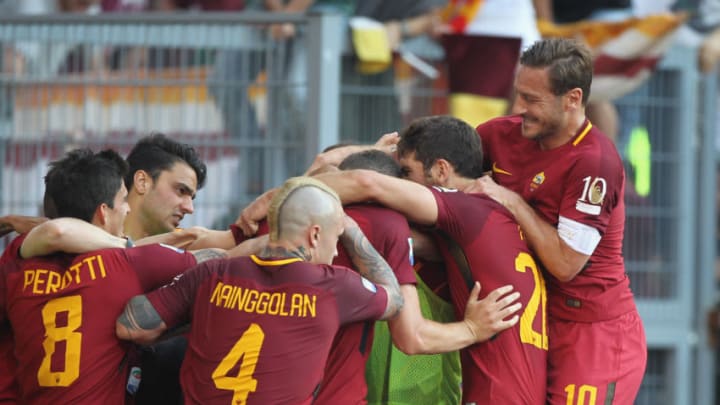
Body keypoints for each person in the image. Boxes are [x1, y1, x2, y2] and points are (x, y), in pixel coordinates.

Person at [314, 115, 548, 404]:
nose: (401, 183)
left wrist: (278, 198)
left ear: (440, 171)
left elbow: (366, 182)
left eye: (406, 171)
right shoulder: (475, 227)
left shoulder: (465, 211)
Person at [116, 176, 404, 404]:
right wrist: (352, 231)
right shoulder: (334, 286)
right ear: (316, 234)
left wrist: (201, 315)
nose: (333, 251)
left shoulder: (212, 274)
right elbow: (394, 298)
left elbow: (132, 326)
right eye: (335, 237)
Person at [474, 38, 647, 404]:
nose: (519, 108)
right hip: (528, 321)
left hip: (592, 333)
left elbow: (566, 263)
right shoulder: (496, 135)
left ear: (572, 99)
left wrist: (513, 202)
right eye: (519, 94)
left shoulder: (594, 161)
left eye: (532, 100)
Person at [0, 148, 225, 404]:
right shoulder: (129, 263)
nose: (127, 209)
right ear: (104, 212)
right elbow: (219, 259)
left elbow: (55, 231)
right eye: (122, 200)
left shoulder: (16, 262)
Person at [123, 133, 207, 241]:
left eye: (192, 198)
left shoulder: (179, 255)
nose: (190, 208)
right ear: (142, 182)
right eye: (181, 190)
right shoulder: (97, 248)